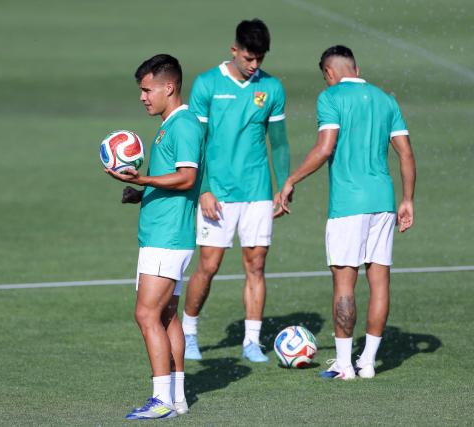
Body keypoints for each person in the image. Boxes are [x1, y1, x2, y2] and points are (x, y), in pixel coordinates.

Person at [278, 45, 416, 380]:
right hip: (383, 201)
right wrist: (408, 199)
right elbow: (406, 154)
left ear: (329, 72)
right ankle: (367, 362)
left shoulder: (331, 98)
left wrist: (291, 179)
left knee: (344, 281)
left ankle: (344, 364)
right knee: (379, 280)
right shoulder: (386, 100)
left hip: (348, 205)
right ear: (355, 66)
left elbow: (325, 147)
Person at [182, 18, 290, 362]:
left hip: (258, 192)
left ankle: (252, 341)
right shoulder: (207, 85)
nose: (254, 65)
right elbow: (195, 142)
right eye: (248, 58)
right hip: (218, 194)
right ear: (234, 50)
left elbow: (280, 143)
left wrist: (284, 184)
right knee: (209, 266)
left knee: (256, 265)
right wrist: (205, 188)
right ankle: (188, 333)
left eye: (259, 59)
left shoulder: (272, 88)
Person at [105, 54, 204, 419]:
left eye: (147, 90)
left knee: (145, 314)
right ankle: (176, 398)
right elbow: (175, 181)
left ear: (169, 87)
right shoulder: (170, 125)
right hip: (163, 234)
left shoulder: (184, 126)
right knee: (166, 316)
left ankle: (161, 399)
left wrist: (142, 180)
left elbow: (188, 178)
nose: (143, 97)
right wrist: (142, 194)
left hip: (167, 237)